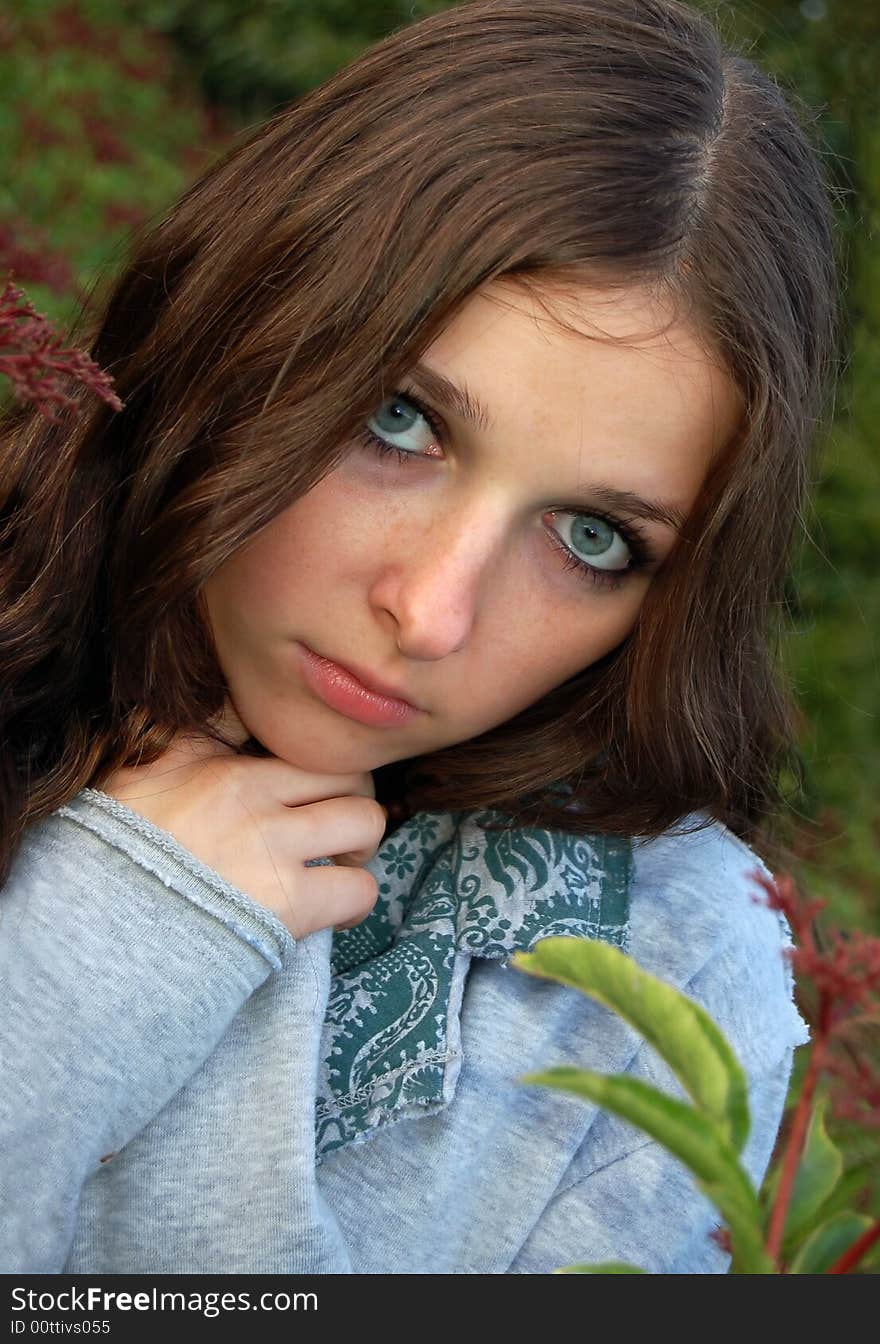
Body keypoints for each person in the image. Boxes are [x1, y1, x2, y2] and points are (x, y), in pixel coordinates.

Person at [0, 0, 840, 1274]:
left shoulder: (662, 972)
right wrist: (89, 961)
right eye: (400, 422)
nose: (432, 613)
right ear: (258, 322)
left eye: (593, 538)